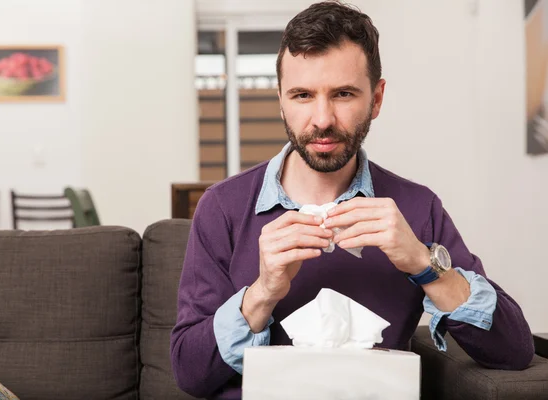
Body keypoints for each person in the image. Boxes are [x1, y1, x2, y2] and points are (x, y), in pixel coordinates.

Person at [171, 1, 535, 398]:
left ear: (376, 99)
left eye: (343, 94)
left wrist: (423, 263)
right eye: (302, 95)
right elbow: (189, 373)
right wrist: (262, 293)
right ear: (280, 100)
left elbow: (514, 351)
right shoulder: (222, 207)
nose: (323, 118)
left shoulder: (417, 208)